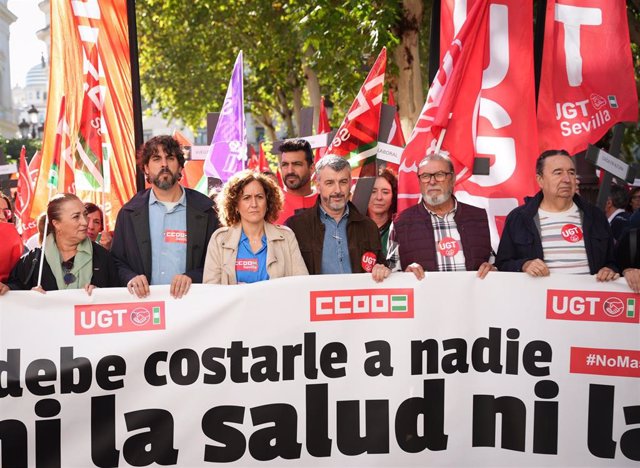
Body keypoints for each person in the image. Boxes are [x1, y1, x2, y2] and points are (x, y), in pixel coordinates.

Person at [111, 135, 219, 298]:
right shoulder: (129, 213)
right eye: (156, 159)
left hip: (194, 306)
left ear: (180, 166)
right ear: (146, 168)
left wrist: (193, 277)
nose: (164, 164)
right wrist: (130, 278)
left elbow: (218, 262)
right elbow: (116, 261)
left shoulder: (206, 211)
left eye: (170, 158)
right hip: (145, 308)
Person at [495, 149, 619, 281]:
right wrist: (524, 265)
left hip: (585, 300)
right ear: (540, 180)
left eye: (571, 173)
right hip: (536, 299)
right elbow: (502, 264)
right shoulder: (519, 218)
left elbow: (613, 263)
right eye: (558, 173)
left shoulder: (595, 216)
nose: (567, 179)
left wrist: (609, 270)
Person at [371, 151, 494, 282]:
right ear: (419, 181)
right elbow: (391, 275)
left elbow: (492, 263)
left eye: (440, 175)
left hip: (472, 301)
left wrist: (493, 269)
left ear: (452, 179)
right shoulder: (401, 223)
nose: (432, 181)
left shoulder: (478, 218)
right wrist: (404, 275)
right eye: (425, 176)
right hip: (425, 302)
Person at [203, 171, 308, 284]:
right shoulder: (220, 239)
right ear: (235, 205)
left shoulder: (286, 237)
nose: (254, 204)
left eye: (259, 197)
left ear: (268, 203)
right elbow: (211, 289)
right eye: (246, 198)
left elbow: (301, 284)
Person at [286, 155, 382, 274]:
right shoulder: (295, 227)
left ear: (350, 184)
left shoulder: (369, 227)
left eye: (343, 182)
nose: (337, 190)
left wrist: (382, 269)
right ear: (318, 186)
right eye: (330, 183)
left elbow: (381, 268)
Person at [5, 193, 118, 293]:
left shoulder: (103, 257)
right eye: (76, 217)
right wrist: (27, 295)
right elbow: (14, 292)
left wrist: (102, 295)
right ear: (56, 223)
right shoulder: (33, 260)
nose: (85, 222)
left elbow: (118, 297)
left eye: (84, 215)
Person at [276, 139, 317, 224]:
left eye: (297, 164)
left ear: (312, 168)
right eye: (285, 165)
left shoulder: (326, 202)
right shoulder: (271, 204)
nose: (290, 171)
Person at [367, 168, 397, 259]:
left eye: (385, 192)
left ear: (393, 196)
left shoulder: (399, 229)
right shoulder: (352, 228)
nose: (379, 197)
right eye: (373, 191)